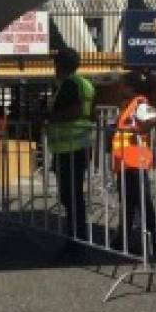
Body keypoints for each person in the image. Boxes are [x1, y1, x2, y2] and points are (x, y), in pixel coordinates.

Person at [45, 47, 96, 248]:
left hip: (69, 149)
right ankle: (77, 236)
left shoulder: (69, 85)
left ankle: (75, 239)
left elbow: (73, 112)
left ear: (60, 65)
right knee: (73, 196)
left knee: (70, 196)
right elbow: (90, 115)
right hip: (80, 146)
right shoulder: (86, 84)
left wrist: (48, 117)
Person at [110, 70, 156, 255]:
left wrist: (140, 131)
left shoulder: (140, 102)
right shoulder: (130, 104)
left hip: (135, 159)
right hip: (126, 161)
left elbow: (153, 119)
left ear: (131, 88)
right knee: (128, 202)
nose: (119, 88)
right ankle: (123, 238)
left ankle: (149, 241)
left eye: (122, 84)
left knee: (141, 201)